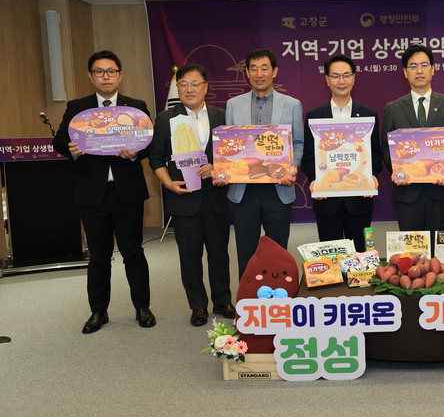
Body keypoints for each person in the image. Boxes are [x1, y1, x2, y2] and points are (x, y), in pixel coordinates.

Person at [52, 50, 155, 333]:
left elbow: (149, 141)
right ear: (91, 76)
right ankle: (98, 311)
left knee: (133, 252)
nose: (105, 76)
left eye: (111, 71)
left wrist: (135, 153)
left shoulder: (135, 107)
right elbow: (59, 141)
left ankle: (142, 307)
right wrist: (73, 150)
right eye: (99, 71)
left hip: (127, 192)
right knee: (99, 256)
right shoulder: (78, 108)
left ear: (120, 75)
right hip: (92, 193)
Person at [148, 64, 234, 327]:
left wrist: (217, 167)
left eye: (195, 84)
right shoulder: (166, 119)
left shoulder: (223, 116)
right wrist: (168, 184)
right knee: (189, 256)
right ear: (178, 88)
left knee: (219, 254)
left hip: (216, 197)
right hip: (183, 198)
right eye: (183, 84)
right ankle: (197, 306)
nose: (189, 89)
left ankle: (222, 300)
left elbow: (234, 154)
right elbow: (155, 158)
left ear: (206, 87)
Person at [225, 49, 304, 277]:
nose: (259, 74)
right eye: (254, 69)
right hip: (244, 190)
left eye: (264, 68)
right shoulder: (233, 105)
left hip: (278, 189)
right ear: (247, 73)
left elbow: (298, 143)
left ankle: (278, 295)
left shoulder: (292, 104)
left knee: (277, 253)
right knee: (246, 253)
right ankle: (249, 297)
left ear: (274, 71)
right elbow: (228, 145)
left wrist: (293, 168)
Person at [301, 54, 382, 251]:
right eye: (335, 76)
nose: (341, 81)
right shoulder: (314, 116)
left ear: (354, 78)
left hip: (360, 201)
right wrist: (316, 180)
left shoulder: (368, 114)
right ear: (327, 79)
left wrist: (370, 176)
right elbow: (309, 157)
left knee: (360, 258)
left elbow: (376, 154)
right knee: (332, 260)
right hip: (327, 202)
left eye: (346, 75)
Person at [382, 44, 444, 242]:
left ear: (433, 69)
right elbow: (386, 148)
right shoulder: (393, 108)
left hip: (440, 190)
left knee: (437, 249)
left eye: (424, 65)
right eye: (413, 66)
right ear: (405, 72)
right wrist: (399, 171)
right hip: (407, 191)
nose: (419, 70)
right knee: (412, 249)